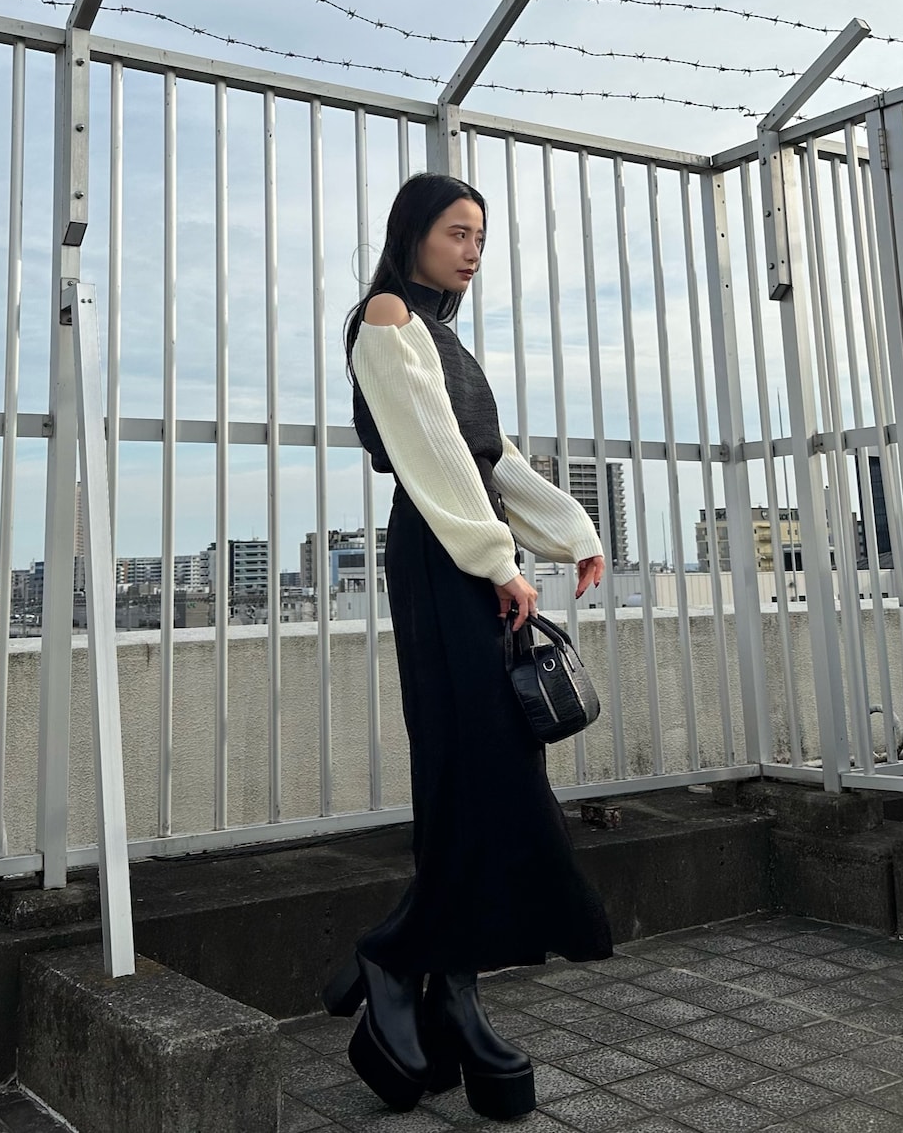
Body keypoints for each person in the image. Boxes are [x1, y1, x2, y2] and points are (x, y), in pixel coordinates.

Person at [323, 172, 612, 1121]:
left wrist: (571, 531)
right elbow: (434, 462)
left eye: (481, 236)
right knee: (474, 763)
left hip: (470, 555)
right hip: (442, 556)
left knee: (482, 773)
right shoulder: (387, 317)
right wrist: (496, 561)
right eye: (457, 232)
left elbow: (491, 459)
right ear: (412, 234)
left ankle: (444, 986)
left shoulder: (443, 337)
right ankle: (400, 960)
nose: (472, 250)